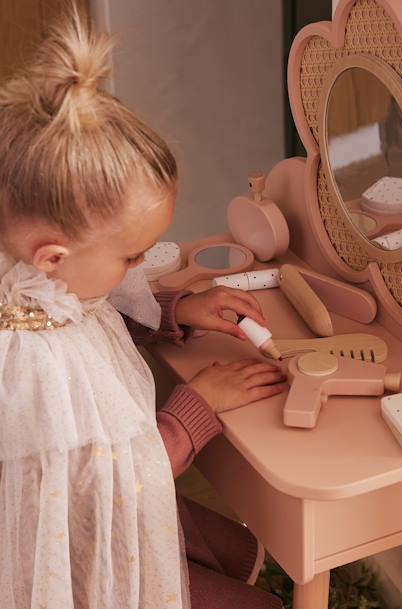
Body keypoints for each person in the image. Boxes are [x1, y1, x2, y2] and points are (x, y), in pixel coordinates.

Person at [0, 8, 287, 609]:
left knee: (225, 555)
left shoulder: (33, 284)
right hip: (77, 568)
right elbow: (116, 488)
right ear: (52, 255)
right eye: (131, 257)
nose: (138, 268)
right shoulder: (31, 372)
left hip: (97, 518)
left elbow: (91, 315)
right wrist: (196, 409)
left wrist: (176, 311)